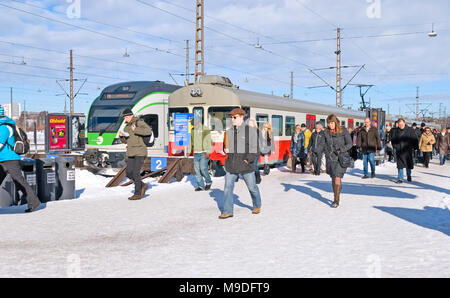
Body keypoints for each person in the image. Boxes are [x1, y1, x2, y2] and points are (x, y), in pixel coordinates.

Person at [219, 108, 261, 219]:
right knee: (228, 188)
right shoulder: (229, 131)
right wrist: (225, 149)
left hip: (245, 165)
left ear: (242, 117)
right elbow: (225, 147)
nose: (232, 119)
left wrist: (247, 160)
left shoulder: (250, 131)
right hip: (231, 165)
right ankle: (227, 211)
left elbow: (256, 149)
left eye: (235, 117)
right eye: (231, 117)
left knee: (252, 188)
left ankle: (257, 205)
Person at [0, 105, 41, 213]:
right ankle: (33, 201)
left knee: (20, 182)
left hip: (10, 160)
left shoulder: (4, 127)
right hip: (3, 160)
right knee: (19, 182)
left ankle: (34, 202)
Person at [119, 109, 152, 200]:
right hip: (131, 152)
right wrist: (122, 136)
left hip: (140, 151)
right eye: (124, 117)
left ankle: (137, 193)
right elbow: (126, 141)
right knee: (129, 172)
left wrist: (136, 129)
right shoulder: (126, 127)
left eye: (126, 117)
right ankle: (142, 185)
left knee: (136, 172)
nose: (125, 119)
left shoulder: (139, 122)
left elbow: (148, 131)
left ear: (130, 116)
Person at [323, 114, 353, 208]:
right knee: (333, 178)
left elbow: (350, 144)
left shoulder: (343, 130)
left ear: (335, 122)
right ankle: (337, 190)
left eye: (331, 123)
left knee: (337, 177)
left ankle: (336, 200)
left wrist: (341, 149)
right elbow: (323, 144)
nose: (330, 125)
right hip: (330, 158)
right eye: (328, 123)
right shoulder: (326, 132)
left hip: (340, 158)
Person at [189, 115, 213, 191]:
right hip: (196, 153)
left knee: (203, 169)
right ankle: (201, 186)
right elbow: (191, 141)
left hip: (204, 152)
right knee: (197, 170)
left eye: (195, 124)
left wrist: (208, 152)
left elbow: (209, 141)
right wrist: (189, 151)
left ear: (198, 123)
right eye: (193, 124)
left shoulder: (205, 129)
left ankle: (208, 182)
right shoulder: (192, 130)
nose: (194, 126)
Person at [390, 118, 418, 183]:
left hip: (408, 150)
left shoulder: (410, 130)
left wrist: (415, 147)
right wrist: (395, 146)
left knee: (408, 165)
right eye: (399, 124)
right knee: (400, 165)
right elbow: (393, 139)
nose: (401, 126)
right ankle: (400, 178)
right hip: (399, 150)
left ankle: (409, 175)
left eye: (402, 124)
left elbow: (414, 139)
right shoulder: (395, 131)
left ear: (404, 123)